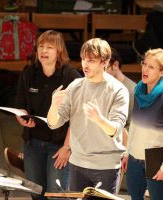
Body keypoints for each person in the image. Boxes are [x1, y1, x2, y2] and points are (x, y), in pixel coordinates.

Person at [47, 38, 129, 194]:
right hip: (78, 163)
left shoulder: (118, 90)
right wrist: (53, 106)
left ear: (104, 62)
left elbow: (116, 130)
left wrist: (99, 119)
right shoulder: (75, 86)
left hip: (105, 166)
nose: (85, 64)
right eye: (84, 59)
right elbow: (54, 123)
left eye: (91, 60)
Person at [15, 30, 81, 199]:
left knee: (55, 195)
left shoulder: (71, 76)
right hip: (33, 143)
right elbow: (20, 107)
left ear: (59, 51)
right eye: (41, 46)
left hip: (58, 146)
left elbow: (78, 117)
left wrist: (67, 147)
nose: (44, 51)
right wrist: (22, 119)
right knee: (36, 194)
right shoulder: (29, 73)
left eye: (49, 47)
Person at [122, 48, 163, 200]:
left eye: (151, 67)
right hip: (134, 158)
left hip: (156, 160)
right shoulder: (139, 90)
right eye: (144, 64)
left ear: (162, 72)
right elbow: (133, 125)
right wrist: (127, 153)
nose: (145, 69)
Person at [106, 47, 136, 146]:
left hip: (120, 148)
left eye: (104, 68)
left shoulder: (132, 90)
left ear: (115, 65)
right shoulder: (101, 86)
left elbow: (133, 128)